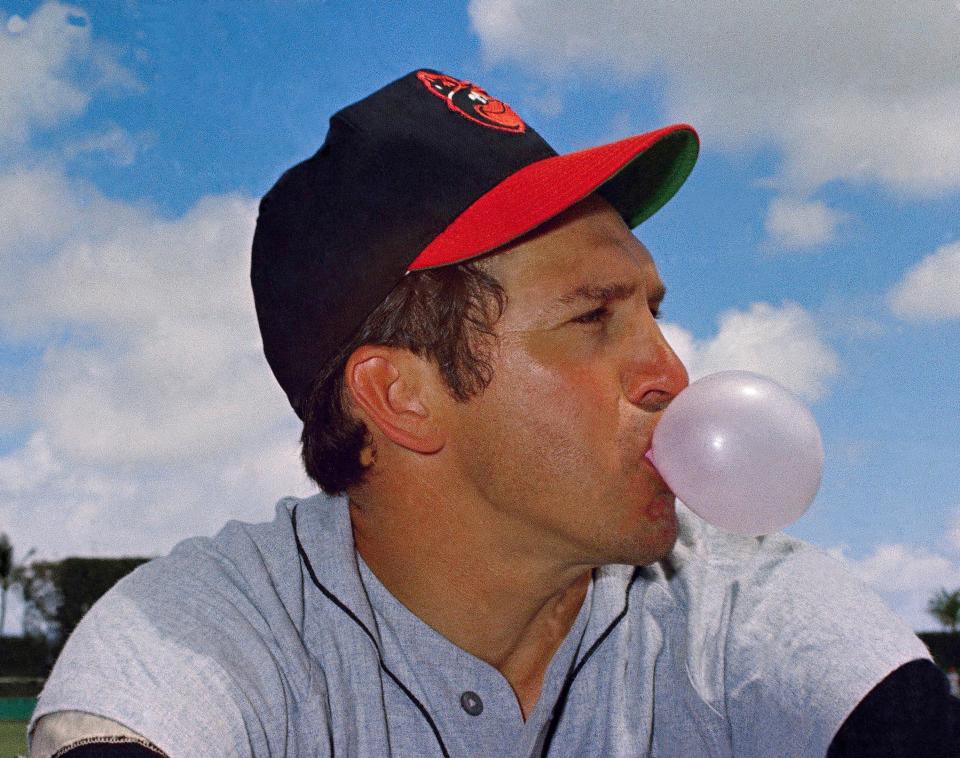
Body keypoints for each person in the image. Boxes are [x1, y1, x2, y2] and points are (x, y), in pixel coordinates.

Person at [26, 69, 960, 757]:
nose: (672, 374)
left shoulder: (750, 613)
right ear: (402, 397)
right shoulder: (204, 637)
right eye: (593, 317)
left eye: (654, 312)